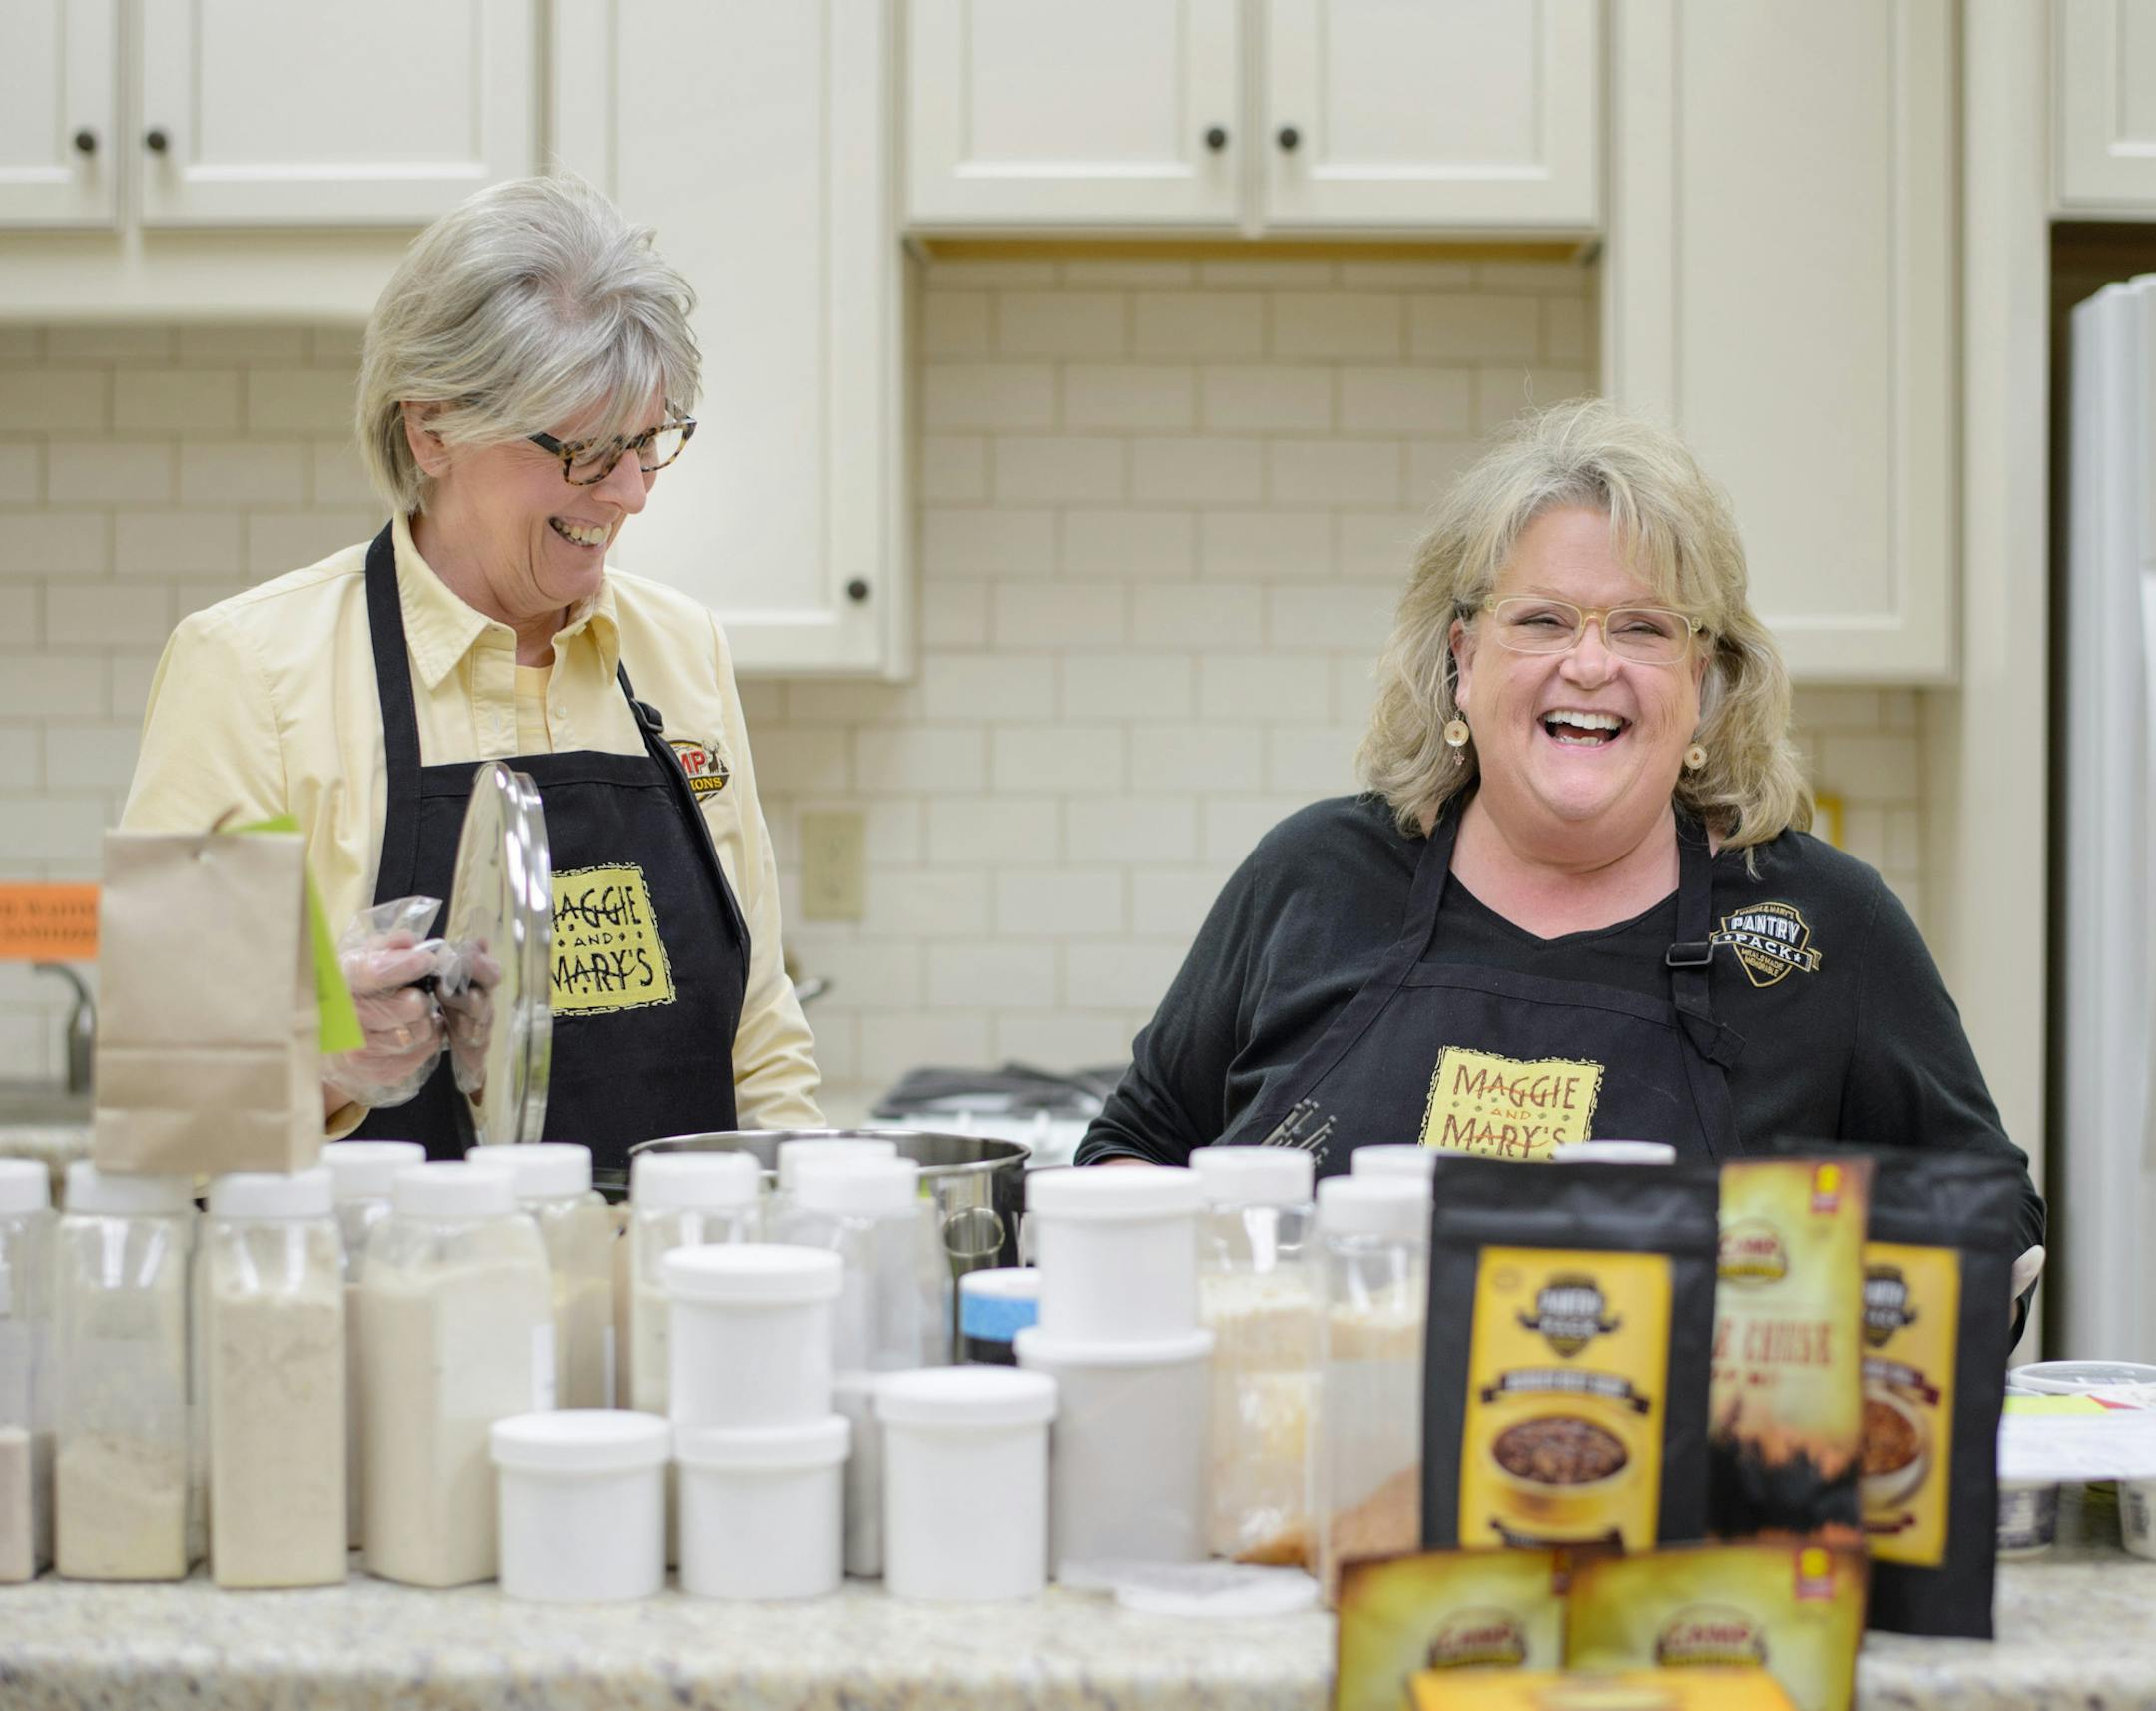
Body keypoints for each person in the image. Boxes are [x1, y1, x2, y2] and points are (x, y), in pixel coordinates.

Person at [1076, 400, 2045, 1274]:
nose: (1590, 663)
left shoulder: (1826, 925)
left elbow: (1994, 1227)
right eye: (1542, 619)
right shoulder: (1313, 878)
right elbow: (1139, 1144)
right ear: (1463, 660)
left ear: (1701, 676)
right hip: (1319, 1457)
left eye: (1642, 627)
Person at [121, 175, 820, 1167]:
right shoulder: (251, 672)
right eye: (583, 450)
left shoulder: (681, 649)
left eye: (647, 443)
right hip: (393, 1305)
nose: (628, 494)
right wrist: (319, 1062)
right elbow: (163, 1103)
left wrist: (808, 1230)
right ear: (432, 428)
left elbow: (760, 1031)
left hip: (674, 1300)